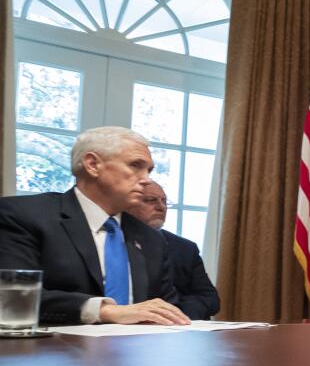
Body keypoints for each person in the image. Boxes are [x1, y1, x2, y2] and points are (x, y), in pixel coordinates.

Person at [0, 126, 189, 326]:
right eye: (136, 165)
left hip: (139, 351)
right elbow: (13, 296)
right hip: (54, 351)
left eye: (149, 170)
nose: (146, 179)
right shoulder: (23, 216)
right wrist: (105, 311)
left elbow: (165, 308)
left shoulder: (151, 238)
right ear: (92, 165)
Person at [127, 181, 220, 321]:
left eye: (164, 201)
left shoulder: (186, 248)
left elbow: (210, 298)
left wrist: (176, 314)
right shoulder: (115, 241)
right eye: (151, 200)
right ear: (127, 205)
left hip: (176, 325)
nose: (161, 207)